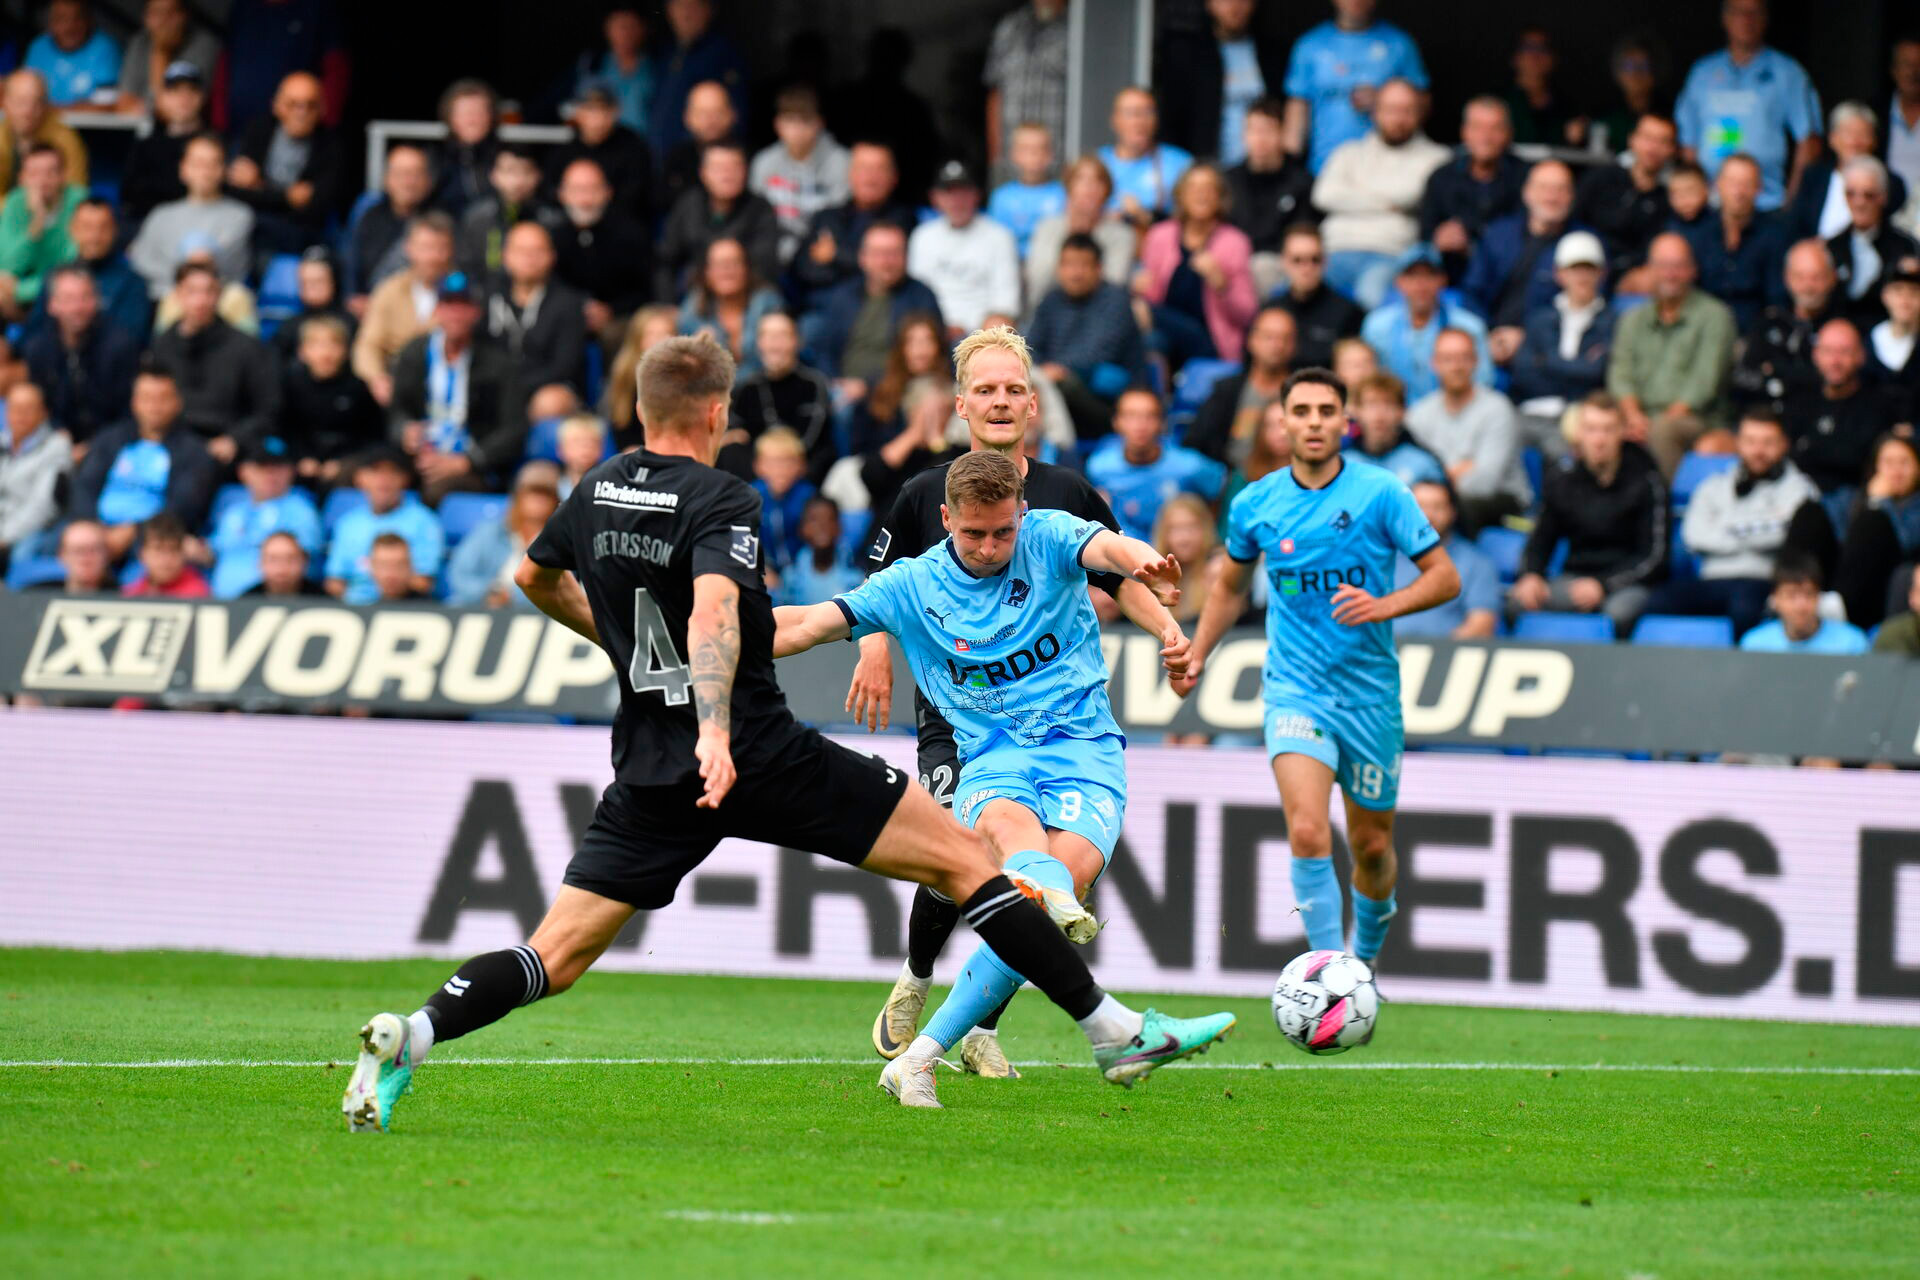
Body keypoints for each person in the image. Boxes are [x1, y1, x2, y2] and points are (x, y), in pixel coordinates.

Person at [343, 332, 1234, 1129]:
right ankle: (1112, 1032)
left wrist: (619, 644)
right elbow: (719, 617)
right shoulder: (721, 495)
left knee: (556, 953)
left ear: (641, 408)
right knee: (969, 864)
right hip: (758, 753)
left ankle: (413, 1035)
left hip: (651, 770)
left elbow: (533, 579)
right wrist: (720, 728)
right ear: (720, 411)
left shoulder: (597, 486)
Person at [848, 328, 1200, 1060]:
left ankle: (980, 1027)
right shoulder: (924, 494)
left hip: (1053, 722)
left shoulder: (1067, 495)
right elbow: (868, 592)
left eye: (1012, 389)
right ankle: (916, 976)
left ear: (1033, 405)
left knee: (1035, 874)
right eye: (986, 389)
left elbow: (1119, 572)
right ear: (961, 405)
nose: (1000, 401)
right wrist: (874, 650)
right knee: (956, 846)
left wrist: (1168, 629)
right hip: (961, 713)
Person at [1183, 367, 1459, 977]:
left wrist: (1384, 605)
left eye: (1325, 411)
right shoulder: (1255, 502)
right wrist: (1198, 650)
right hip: (1295, 690)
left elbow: (1445, 576)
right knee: (1308, 830)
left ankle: (1363, 961)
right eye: (1301, 411)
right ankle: (1332, 974)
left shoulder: (1382, 492)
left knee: (1372, 846)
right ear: (1281, 421)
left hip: (1370, 697)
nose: (1313, 422)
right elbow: (1228, 586)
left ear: (1344, 420)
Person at [1647, 406, 1816, 636]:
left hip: (1761, 581)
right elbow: (1693, 536)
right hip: (1710, 579)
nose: (1758, 451)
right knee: (1655, 603)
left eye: (1768, 442)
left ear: (1783, 444)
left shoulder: (1799, 488)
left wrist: (1725, 526)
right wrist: (1757, 528)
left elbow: (1783, 532)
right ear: (1738, 443)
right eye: (1751, 441)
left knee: (1745, 609)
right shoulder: (1713, 486)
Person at [1509, 393, 1668, 635]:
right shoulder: (1563, 479)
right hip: (1574, 578)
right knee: (1518, 603)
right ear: (1579, 433)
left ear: (1622, 432)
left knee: (1619, 613)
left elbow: (1654, 558)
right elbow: (1540, 539)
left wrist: (1603, 585)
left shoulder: (1647, 480)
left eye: (1607, 430)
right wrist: (1531, 574)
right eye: (1591, 429)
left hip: (1626, 584)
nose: (1599, 439)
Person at [1606, 232, 1739, 476]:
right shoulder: (1632, 319)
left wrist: (1651, 425)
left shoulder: (1715, 316)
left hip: (1697, 420)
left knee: (1663, 430)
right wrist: (1634, 416)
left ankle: (1661, 507)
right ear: (1650, 270)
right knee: (1593, 420)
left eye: (1678, 266)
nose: (1670, 274)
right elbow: (1620, 372)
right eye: (1663, 266)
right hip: (1640, 416)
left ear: (1692, 270)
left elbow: (1703, 384)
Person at [1311, 79, 1449, 309]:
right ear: (1375, 112)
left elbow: (1410, 195)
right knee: (1296, 292)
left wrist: (1352, 195)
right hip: (1334, 249)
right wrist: (1388, 204)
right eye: (1391, 110)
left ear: (1420, 114)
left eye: (1407, 110)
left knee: (1371, 297)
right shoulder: (1349, 152)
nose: (1398, 118)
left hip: (1390, 254)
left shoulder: (1436, 158)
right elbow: (1324, 195)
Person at [1674, 0, 1821, 212]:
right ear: (1725, 18)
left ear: (1766, 19)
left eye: (1754, 13)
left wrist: (1792, 203)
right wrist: (1694, 192)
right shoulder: (1702, 72)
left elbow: (1809, 141)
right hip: (1708, 206)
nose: (1746, 20)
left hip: (1766, 204)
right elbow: (1688, 142)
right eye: (1738, 12)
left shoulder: (1787, 72)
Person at [390, 273, 524, 500]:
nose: (455, 314)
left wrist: (468, 461)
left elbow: (514, 429)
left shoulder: (499, 363)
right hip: (422, 456)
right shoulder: (414, 353)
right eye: (448, 305)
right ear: (437, 310)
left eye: (464, 306)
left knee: (436, 491)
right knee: (371, 476)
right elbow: (396, 410)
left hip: (473, 464)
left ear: (477, 313)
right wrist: (404, 431)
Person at [67, 362, 215, 559]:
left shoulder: (194, 451)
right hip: (97, 534)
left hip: (153, 539)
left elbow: (183, 507)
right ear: (134, 402)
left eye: (163, 399)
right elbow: (85, 486)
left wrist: (133, 531)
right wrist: (95, 530)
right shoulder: (109, 439)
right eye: (147, 398)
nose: (154, 406)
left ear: (178, 402)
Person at [148, 261, 281, 463]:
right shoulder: (162, 345)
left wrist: (235, 439)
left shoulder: (246, 347)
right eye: (192, 291)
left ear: (219, 295)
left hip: (227, 449)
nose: (201, 301)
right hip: (171, 447)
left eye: (209, 291)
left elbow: (268, 409)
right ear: (177, 294)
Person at [1282, 0, 1428, 175]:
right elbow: (1297, 111)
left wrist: (1384, 101)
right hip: (1323, 167)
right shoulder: (1310, 46)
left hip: (1388, 169)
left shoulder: (1399, 44)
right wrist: (1288, 167)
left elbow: (1422, 102)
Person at [1405, 328, 1529, 531]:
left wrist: (1442, 477)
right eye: (1448, 359)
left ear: (1476, 362)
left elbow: (1485, 483)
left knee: (1459, 508)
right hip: (1441, 500)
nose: (1456, 366)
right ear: (1434, 364)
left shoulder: (1498, 408)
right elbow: (1413, 475)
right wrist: (1460, 469)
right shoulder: (1418, 414)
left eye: (1464, 358)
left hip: (1502, 502)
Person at [1023, 233, 1145, 440]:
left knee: (1060, 387)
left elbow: (1097, 354)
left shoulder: (1115, 301)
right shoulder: (1051, 300)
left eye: (1083, 265)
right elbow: (1030, 348)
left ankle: (1054, 449)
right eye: (1069, 265)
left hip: (1107, 402)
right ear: (1058, 269)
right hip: (1054, 389)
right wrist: (1043, 373)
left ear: (1099, 268)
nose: (1075, 273)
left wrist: (1055, 372)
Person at [1135, 162, 1258, 366]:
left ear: (1220, 197)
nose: (1201, 194)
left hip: (1210, 341)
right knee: (1152, 340)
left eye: (1209, 188)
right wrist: (1140, 287)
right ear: (1181, 196)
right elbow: (1152, 297)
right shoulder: (1160, 235)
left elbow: (1247, 314)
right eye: (1193, 188)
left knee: (1142, 310)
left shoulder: (1235, 242)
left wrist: (1222, 285)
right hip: (1166, 334)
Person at [1508, 231, 1617, 451]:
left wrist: (1547, 361)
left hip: (1581, 413)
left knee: (1564, 446)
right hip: (1532, 409)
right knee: (1501, 439)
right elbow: (1524, 373)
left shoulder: (1612, 321)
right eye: (1574, 269)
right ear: (1559, 274)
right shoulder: (1539, 318)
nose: (1582, 276)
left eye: (1589, 269)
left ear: (1602, 274)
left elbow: (1597, 373)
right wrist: (1576, 369)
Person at [224, 70, 345, 254]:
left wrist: (259, 186)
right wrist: (287, 197)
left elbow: (317, 207)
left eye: (310, 105)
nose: (301, 113)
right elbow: (235, 191)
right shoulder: (258, 131)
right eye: (293, 104)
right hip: (256, 232)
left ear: (322, 109)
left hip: (305, 236)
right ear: (277, 105)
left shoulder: (331, 146)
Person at [1462, 159, 1586, 338]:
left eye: (1560, 189)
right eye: (1544, 188)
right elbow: (1473, 292)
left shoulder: (1584, 243)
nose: (1551, 197)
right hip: (1489, 339)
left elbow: (1585, 308)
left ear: (1572, 196)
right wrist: (1487, 335)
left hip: (1549, 346)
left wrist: (1526, 338)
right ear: (1527, 192)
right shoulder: (1498, 233)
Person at [1086, 388, 1228, 542]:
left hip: (1177, 555)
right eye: (1131, 416)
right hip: (1126, 555)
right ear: (1116, 422)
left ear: (1162, 423)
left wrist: (1211, 536)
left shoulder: (1190, 466)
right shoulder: (1098, 468)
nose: (1141, 425)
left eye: (1150, 416)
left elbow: (1221, 489)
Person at [812, 222, 942, 387]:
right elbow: (824, 350)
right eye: (878, 253)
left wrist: (867, 387)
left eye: (893, 253)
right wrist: (833, 383)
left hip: (896, 391)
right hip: (841, 389)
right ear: (862, 257)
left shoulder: (921, 297)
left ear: (906, 257)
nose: (885, 262)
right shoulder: (843, 295)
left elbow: (928, 359)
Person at [787, 141, 916, 307]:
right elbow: (803, 269)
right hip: (823, 305)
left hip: (883, 307)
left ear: (894, 177)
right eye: (864, 168)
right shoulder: (827, 216)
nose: (871, 177)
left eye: (879, 169)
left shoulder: (903, 219)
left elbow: (890, 271)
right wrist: (856, 265)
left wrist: (835, 255)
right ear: (850, 174)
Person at [1156, 0, 1286, 164]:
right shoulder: (1190, 57)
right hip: (1208, 169)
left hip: (1260, 169)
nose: (1235, 6)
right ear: (1209, 4)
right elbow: (1173, 120)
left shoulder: (1273, 55)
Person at [1782, 318, 1903, 494]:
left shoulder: (1879, 406)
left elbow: (1856, 461)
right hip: (1794, 492)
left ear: (1861, 355)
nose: (1835, 361)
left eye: (1844, 352)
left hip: (1851, 498)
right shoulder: (1800, 400)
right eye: (1828, 351)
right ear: (1816, 355)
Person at [21, 264, 137, 444]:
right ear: (52, 304)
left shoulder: (120, 345)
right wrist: (59, 435)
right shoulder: (38, 349)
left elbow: (128, 412)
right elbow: (41, 408)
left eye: (85, 298)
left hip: (111, 443)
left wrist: (94, 447)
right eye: (68, 299)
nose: (77, 307)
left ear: (97, 301)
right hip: (56, 443)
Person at [126, 133, 251, 299]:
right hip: (165, 300)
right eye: (198, 163)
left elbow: (221, 266)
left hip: (218, 301)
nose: (205, 171)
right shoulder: (161, 214)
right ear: (183, 169)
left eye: (213, 163)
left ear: (223, 169)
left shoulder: (240, 216)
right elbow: (141, 261)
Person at [1361, 246, 1491, 404]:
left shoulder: (1469, 326)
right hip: (1391, 416)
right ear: (1399, 282)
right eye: (1412, 275)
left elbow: (1483, 381)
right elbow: (1367, 380)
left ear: (1443, 280)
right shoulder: (1377, 325)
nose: (1420, 284)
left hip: (1451, 412)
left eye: (1429, 275)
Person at [906, 161, 1020, 340]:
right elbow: (918, 294)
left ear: (977, 195)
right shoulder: (923, 236)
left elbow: (1006, 300)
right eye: (949, 193)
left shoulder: (999, 236)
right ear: (935, 198)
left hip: (983, 332)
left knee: (999, 327)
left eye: (963, 193)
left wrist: (973, 328)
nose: (957, 201)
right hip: (934, 332)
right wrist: (940, 326)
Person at [1419, 98, 1527, 285]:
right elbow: (1425, 235)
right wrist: (1439, 240)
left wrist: (1474, 246)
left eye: (1495, 128)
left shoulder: (1526, 177)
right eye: (1477, 127)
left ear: (1508, 134)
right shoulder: (1442, 177)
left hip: (1508, 277)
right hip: (1451, 275)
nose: (1486, 137)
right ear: (1464, 132)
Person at [352, 213, 455, 406]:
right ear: (409, 248)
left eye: (440, 248)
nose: (432, 257)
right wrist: (377, 378)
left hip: (451, 389)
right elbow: (368, 344)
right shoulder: (389, 290)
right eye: (425, 248)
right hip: (397, 388)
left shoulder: (463, 292)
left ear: (451, 250)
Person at [658, 140, 780, 300]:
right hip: (697, 293)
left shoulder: (760, 208)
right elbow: (665, 259)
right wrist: (668, 303)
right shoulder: (688, 204)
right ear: (703, 173)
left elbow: (765, 264)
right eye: (719, 168)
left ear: (746, 171)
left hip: (749, 296)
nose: (727, 175)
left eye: (735, 167)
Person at [1732, 238, 1844, 412]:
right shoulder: (1769, 321)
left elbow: (1836, 382)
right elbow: (1743, 377)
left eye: (1816, 277)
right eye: (1800, 277)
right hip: (1766, 420)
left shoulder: (1842, 328)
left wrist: (1776, 369)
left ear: (1832, 277)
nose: (1808, 286)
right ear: (1787, 278)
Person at [1682, 153, 1789, 333]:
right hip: (1703, 333)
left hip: (1753, 336)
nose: (1738, 192)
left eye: (1746, 184)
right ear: (1718, 185)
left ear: (1759, 188)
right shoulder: (1700, 234)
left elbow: (1777, 300)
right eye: (1732, 183)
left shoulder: (1775, 236)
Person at [205, 435, 323, 598]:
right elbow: (215, 552)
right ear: (244, 471)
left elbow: (303, 566)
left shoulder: (302, 512)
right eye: (262, 466)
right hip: (222, 603)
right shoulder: (233, 511)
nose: (270, 474)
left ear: (291, 471)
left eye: (277, 467)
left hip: (270, 601)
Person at [323, 448, 444, 604]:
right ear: (360, 478)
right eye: (375, 472)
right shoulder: (347, 523)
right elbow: (334, 581)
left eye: (392, 473)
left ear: (404, 479)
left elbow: (424, 581)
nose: (383, 480)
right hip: (353, 607)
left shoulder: (425, 521)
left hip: (402, 606)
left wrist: (386, 590)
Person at [552, 159, 654, 340]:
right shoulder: (550, 236)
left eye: (593, 189)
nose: (585, 199)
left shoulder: (631, 234)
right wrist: (577, 307)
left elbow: (646, 288)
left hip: (619, 317)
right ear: (562, 194)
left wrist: (611, 310)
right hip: (565, 314)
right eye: (577, 190)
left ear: (608, 192)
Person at [486, 222, 588, 401]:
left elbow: (564, 367)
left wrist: (516, 388)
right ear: (505, 256)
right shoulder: (489, 297)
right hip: (495, 385)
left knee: (551, 401)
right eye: (521, 251)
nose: (529, 258)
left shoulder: (569, 303)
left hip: (544, 388)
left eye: (537, 251)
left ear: (552, 256)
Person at [726, 310, 831, 481]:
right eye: (767, 335)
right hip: (754, 472)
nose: (775, 342)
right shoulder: (747, 387)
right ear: (759, 343)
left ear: (797, 342)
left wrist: (772, 458)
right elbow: (733, 435)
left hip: (799, 472)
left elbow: (807, 441)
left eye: (783, 335)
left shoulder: (812, 384)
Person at [1186, 302, 1295, 466]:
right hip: (1231, 479)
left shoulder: (1303, 394)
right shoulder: (1226, 390)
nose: (1277, 345)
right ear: (1252, 340)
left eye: (1284, 338)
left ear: (1294, 345)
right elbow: (1195, 442)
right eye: (1269, 337)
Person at [1574, 113, 1679, 282]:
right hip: (1585, 268)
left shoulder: (1668, 200)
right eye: (1648, 138)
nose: (1653, 147)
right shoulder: (1601, 179)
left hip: (1633, 282)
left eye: (1663, 141)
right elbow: (1573, 221)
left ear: (1672, 150)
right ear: (1632, 140)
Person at [751, 85, 848, 267]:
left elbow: (839, 217)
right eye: (790, 120)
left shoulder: (840, 162)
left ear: (819, 123)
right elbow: (756, 216)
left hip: (819, 249)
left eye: (805, 120)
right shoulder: (764, 162)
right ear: (777, 124)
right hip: (774, 251)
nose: (797, 129)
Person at [280, 314, 382, 487]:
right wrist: (301, 458)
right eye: (317, 345)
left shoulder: (357, 388)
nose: (326, 352)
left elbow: (372, 435)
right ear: (303, 351)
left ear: (345, 350)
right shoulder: (290, 386)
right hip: (303, 460)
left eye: (334, 344)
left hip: (346, 461)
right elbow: (286, 430)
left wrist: (341, 461)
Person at [1223, 97, 1314, 289]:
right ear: (1244, 135)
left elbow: (1300, 236)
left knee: (1262, 267)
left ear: (1282, 134)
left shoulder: (1301, 182)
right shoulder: (1227, 181)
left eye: (1268, 131)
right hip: (1232, 262)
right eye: (1253, 130)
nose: (1260, 139)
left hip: (1279, 265)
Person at [446, 461, 562, 608]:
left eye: (545, 496)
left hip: (534, 614)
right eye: (532, 494)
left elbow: (561, 590)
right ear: (519, 497)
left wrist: (512, 597)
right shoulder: (490, 532)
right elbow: (460, 574)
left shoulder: (559, 542)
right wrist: (489, 592)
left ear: (555, 501)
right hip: (481, 605)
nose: (537, 502)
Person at [1023, 155, 1135, 306]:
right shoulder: (1047, 228)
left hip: (1100, 315)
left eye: (1097, 181)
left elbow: (1114, 284)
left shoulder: (1121, 235)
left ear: (1107, 191)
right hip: (1050, 310)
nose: (1090, 187)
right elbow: (1039, 281)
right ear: (1069, 187)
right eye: (1081, 179)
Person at [1789, 103, 1908, 243]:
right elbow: (1795, 228)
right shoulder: (1814, 178)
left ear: (1875, 141)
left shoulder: (1890, 184)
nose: (1855, 141)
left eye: (1863, 134)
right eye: (1848, 133)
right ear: (1832, 139)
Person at [1393, 480, 1497, 639]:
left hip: (1443, 659)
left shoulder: (1476, 564)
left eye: (1437, 507)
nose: (1427, 515)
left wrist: (1439, 655)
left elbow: (1481, 624)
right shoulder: (1381, 557)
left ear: (1453, 512)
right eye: (1419, 507)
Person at [647, 0, 747, 162]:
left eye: (693, 7)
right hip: (662, 157)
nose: (686, 14)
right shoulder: (666, 52)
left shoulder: (721, 53)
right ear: (669, 11)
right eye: (679, 7)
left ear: (709, 11)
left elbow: (736, 116)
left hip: (702, 159)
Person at [1827, 157, 1920, 327]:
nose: (1859, 202)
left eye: (1868, 195)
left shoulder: (1905, 246)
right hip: (1842, 339)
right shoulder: (1832, 246)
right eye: (1851, 194)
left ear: (1883, 197)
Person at [547, 80, 656, 222]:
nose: (597, 118)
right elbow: (551, 191)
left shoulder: (634, 147)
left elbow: (638, 196)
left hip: (620, 226)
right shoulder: (564, 149)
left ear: (616, 111)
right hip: (571, 225)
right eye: (590, 109)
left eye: (604, 109)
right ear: (578, 112)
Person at [983, 0, 1068, 179]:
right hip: (1010, 160)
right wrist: (995, 155)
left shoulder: (1076, 27)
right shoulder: (1010, 27)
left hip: (1059, 160)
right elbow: (995, 93)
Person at [456, 143, 564, 281]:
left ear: (538, 176)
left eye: (526, 171)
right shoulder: (476, 219)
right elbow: (466, 267)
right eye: (509, 171)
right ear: (494, 175)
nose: (518, 181)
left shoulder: (553, 222)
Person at [0, 143, 83, 319]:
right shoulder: (14, 201)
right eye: (34, 174)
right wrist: (37, 222)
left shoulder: (79, 202)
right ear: (22, 178)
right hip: (18, 289)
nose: (42, 181)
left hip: (63, 292)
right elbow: (7, 264)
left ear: (63, 176)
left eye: (51, 173)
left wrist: (20, 290)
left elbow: (72, 263)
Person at [1098, 87, 1195, 228]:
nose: (1140, 122)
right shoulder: (1098, 163)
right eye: (1131, 114)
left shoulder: (1180, 164)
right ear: (1114, 120)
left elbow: (1195, 219)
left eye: (1148, 113)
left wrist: (1146, 217)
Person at [348, 145, 433, 303]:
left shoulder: (439, 221)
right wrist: (355, 298)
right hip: (372, 307)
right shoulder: (369, 217)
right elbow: (352, 268)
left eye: (416, 174)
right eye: (402, 174)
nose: (409, 182)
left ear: (428, 180)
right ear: (387, 179)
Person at [1272, 223, 1361, 370]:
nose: (1307, 268)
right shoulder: (1271, 312)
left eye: (1315, 259)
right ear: (1283, 262)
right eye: (1297, 260)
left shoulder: (1349, 313)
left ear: (1325, 261)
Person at [0, 381, 70, 568]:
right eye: (15, 408)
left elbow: (44, 506)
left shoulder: (57, 446)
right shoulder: (2, 442)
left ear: (44, 413)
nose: (20, 415)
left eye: (28, 409)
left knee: (23, 556)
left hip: (36, 530)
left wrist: (5, 536)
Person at [1738, 555, 1869, 653]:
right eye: (1791, 595)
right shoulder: (1754, 645)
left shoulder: (1851, 643)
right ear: (1774, 599)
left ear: (1819, 596)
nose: (1801, 606)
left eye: (1809, 594)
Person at [116, 0, 220, 115]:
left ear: (185, 15)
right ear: (146, 18)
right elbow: (124, 104)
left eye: (171, 13)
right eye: (157, 13)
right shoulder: (140, 42)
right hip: (144, 129)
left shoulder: (203, 44)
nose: (163, 20)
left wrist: (161, 52)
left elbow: (174, 111)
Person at [1345, 371, 1443, 487]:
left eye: (1388, 405)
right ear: (1356, 411)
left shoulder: (1423, 464)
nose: (1379, 415)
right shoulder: (1342, 465)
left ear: (1402, 412)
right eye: (1371, 405)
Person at [655, 80, 737, 219]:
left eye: (717, 112)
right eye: (702, 113)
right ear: (687, 117)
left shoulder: (750, 159)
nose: (710, 120)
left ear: (732, 115)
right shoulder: (676, 158)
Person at [986, 122, 1066, 260]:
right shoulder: (1002, 196)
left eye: (1040, 148)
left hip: (1052, 263)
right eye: (1026, 148)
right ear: (1014, 154)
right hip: (1010, 262)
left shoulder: (1063, 194)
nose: (1034, 154)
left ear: (1050, 154)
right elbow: (995, 241)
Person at [0, 70, 88, 195]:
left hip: (54, 212)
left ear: (46, 104)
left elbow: (77, 193)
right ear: (5, 103)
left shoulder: (65, 138)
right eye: (20, 102)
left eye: (37, 102)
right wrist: (16, 210)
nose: (28, 111)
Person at [601, 304, 678, 442]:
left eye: (666, 333)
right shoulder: (625, 375)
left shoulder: (687, 375)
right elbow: (619, 423)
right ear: (638, 339)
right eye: (651, 334)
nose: (659, 341)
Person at [571, 7, 653, 134]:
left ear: (643, 30)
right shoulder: (594, 64)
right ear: (607, 29)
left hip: (643, 143)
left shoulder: (656, 66)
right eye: (621, 27)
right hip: (603, 141)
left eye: (632, 27)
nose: (626, 34)